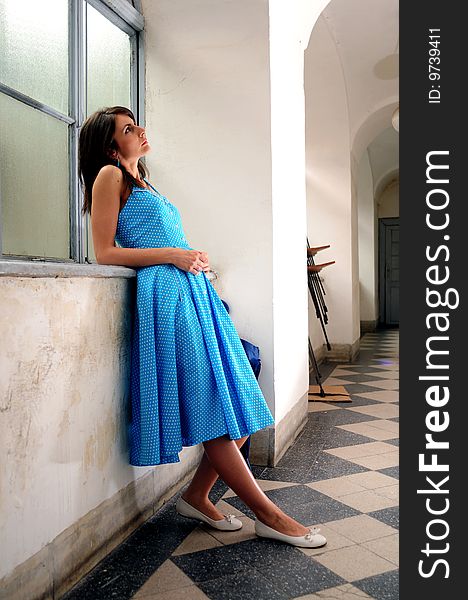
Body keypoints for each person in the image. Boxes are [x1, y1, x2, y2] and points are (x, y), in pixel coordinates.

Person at [78, 106, 326, 549]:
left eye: (137, 123)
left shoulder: (143, 183)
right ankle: (268, 514)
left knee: (240, 396)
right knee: (212, 403)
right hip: (166, 299)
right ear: (111, 145)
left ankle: (196, 495)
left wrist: (190, 256)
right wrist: (173, 255)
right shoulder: (108, 177)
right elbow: (104, 252)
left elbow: (160, 242)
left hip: (192, 295)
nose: (140, 131)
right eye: (128, 129)